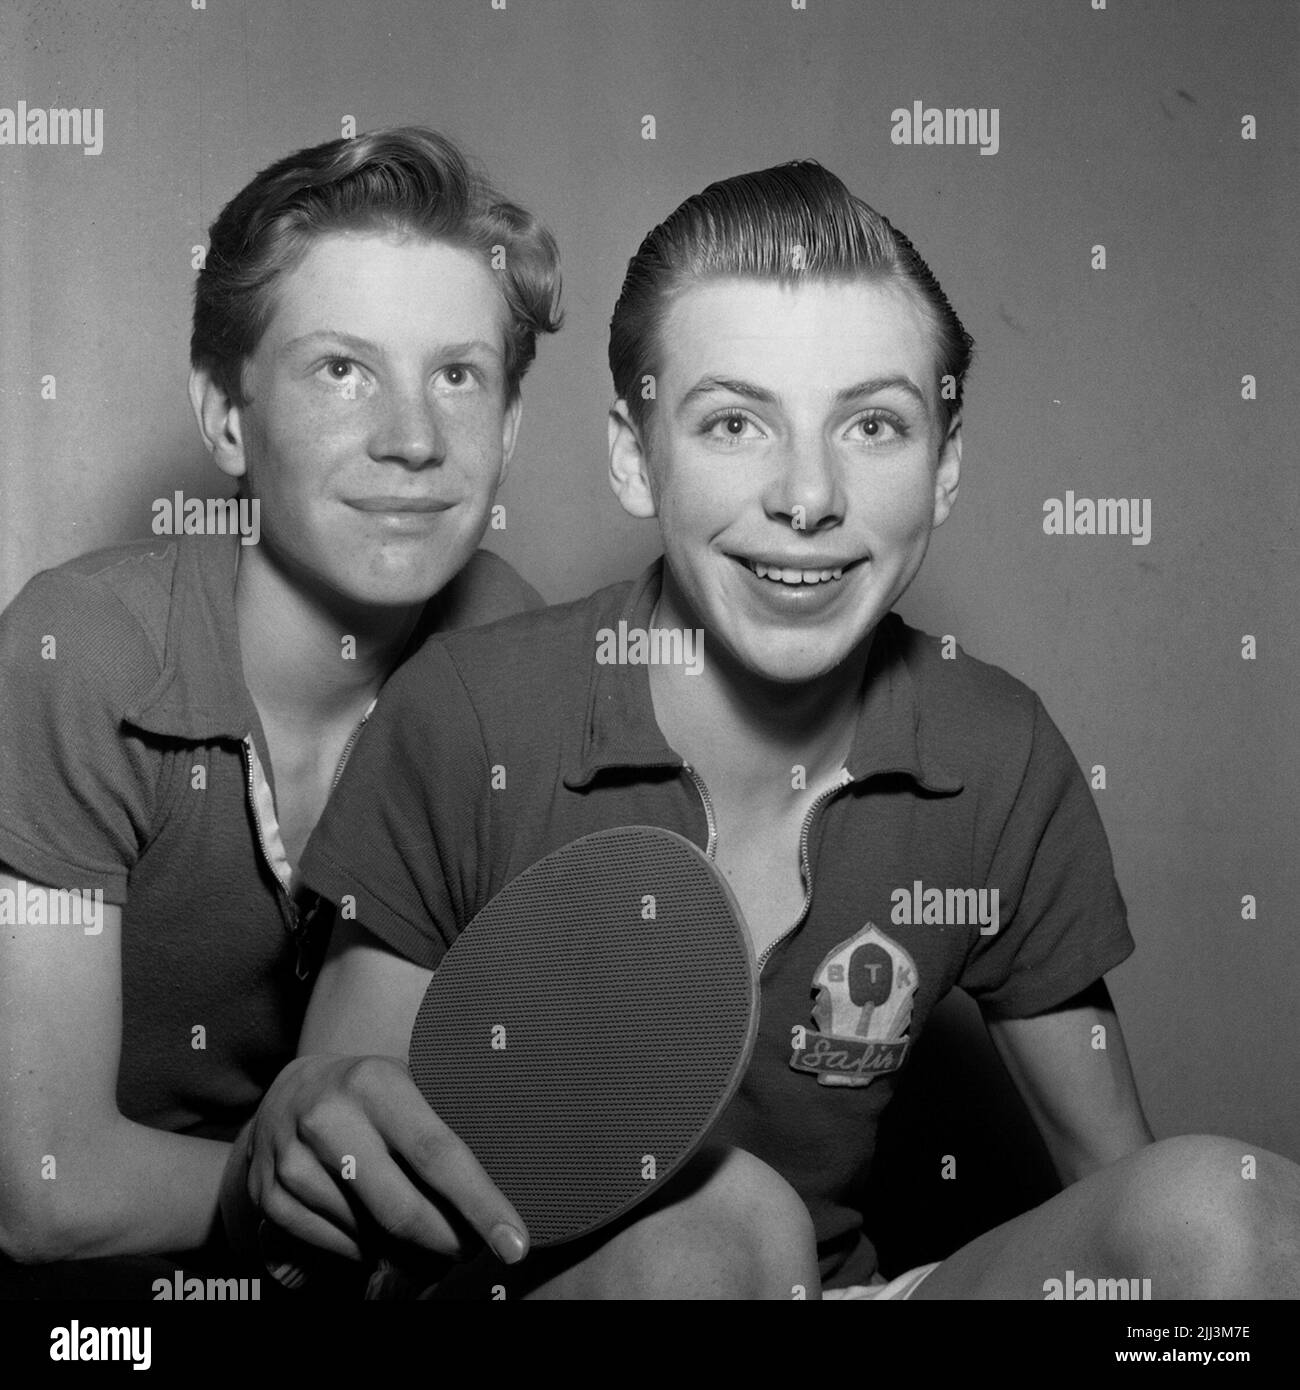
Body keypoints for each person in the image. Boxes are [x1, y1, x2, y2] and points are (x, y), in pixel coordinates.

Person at [230, 160, 1300, 1299]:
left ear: (943, 469)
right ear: (636, 457)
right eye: (735, 421)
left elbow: (1121, 1190)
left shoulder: (996, 750)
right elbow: (342, 1169)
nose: (806, 496)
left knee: (1230, 1215)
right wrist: (304, 1129)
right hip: (556, 1290)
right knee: (727, 1230)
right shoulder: (471, 712)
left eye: (874, 425)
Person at [0, 126, 561, 1294]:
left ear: (507, 427)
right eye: (341, 368)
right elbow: (46, 1191)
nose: (412, 438)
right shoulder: (82, 650)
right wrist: (307, 1180)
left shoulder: (515, 650)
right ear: (225, 416)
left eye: (456, 374)